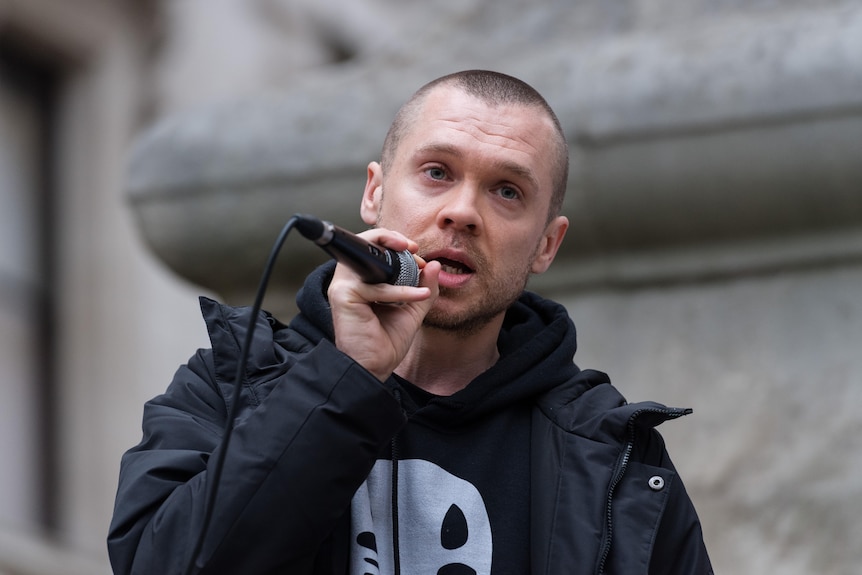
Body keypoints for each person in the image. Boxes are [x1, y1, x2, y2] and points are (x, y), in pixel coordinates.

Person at [108, 70, 713, 574]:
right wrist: (343, 379)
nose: (462, 212)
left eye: (507, 191)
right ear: (374, 193)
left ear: (546, 246)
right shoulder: (231, 381)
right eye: (437, 173)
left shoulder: (616, 460)